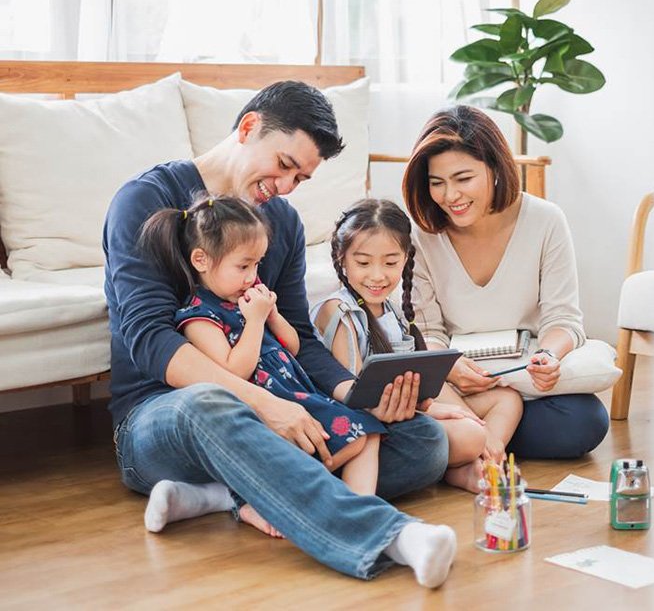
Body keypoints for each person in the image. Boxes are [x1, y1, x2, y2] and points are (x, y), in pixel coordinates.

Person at [104, 80, 456, 587]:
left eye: (302, 177)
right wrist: (264, 405)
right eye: (285, 165)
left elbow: (303, 340)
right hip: (163, 419)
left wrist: (356, 396)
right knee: (209, 404)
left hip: (271, 401)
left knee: (422, 441)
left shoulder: (282, 223)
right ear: (249, 128)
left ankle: (225, 494)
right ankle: (394, 537)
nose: (287, 186)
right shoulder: (144, 200)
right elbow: (149, 338)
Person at [139, 193, 385, 517]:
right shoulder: (199, 317)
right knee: (352, 440)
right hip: (260, 410)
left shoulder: (250, 300)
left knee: (368, 434)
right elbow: (235, 371)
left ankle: (360, 511)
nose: (252, 276)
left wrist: (271, 315)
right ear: (201, 260)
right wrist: (254, 320)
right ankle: (266, 499)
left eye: (256, 264)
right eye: (243, 265)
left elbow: (293, 347)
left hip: (297, 395)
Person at [401, 105, 611, 459]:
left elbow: (563, 320)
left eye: (463, 178)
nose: (450, 196)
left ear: (495, 168)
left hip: (522, 375)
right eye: (437, 183)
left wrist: (548, 355)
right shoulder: (421, 236)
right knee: (416, 397)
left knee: (584, 421)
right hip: (458, 382)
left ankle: (469, 440)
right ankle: (482, 435)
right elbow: (426, 332)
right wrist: (450, 367)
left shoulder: (546, 220)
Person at [312, 198, 522, 491]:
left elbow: (419, 379)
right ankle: (468, 461)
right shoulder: (338, 311)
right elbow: (357, 398)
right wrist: (434, 412)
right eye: (363, 263)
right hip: (372, 421)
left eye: (390, 262)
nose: (377, 275)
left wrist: (440, 408)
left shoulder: (393, 311)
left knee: (507, 399)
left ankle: (484, 460)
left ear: (405, 259)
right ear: (341, 258)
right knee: (468, 434)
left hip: (410, 408)